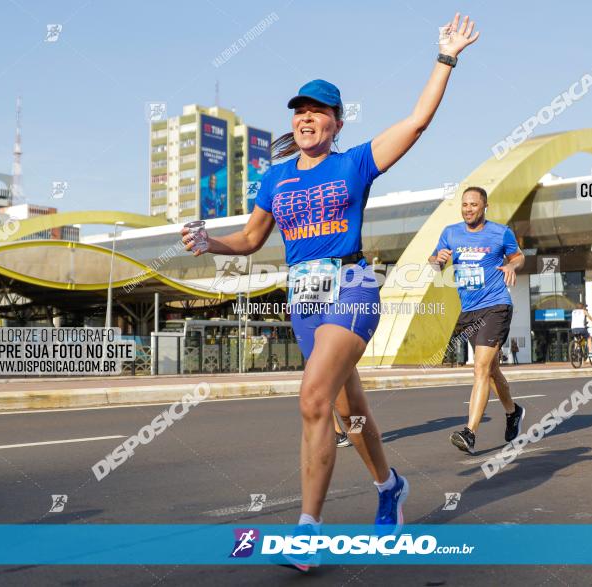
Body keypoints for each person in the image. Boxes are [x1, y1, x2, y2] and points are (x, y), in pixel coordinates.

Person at [182, 12, 479, 572]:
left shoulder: (355, 163)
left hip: (353, 284)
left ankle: (307, 532)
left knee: (313, 399)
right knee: (350, 412)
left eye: (317, 112)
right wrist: (209, 243)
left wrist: (445, 58)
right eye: (299, 112)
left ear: (337, 123)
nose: (306, 120)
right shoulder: (275, 178)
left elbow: (416, 122)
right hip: (304, 300)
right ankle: (390, 485)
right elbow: (250, 238)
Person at [429, 186, 526, 454]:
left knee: (480, 368)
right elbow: (434, 262)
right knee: (492, 370)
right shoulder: (451, 232)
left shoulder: (500, 232)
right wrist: (437, 260)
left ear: (485, 206)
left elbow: (519, 256)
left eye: (473, 204)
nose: (468, 209)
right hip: (469, 309)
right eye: (465, 204)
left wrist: (510, 265)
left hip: (496, 306)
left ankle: (469, 432)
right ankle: (513, 411)